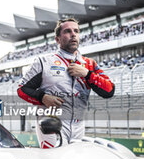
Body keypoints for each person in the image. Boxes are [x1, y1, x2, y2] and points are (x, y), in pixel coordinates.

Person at [17, 18, 115, 148]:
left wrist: (87, 74)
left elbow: (109, 91)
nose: (73, 34)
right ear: (57, 39)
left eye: (76, 31)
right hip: (51, 123)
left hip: (79, 126)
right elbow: (22, 90)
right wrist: (43, 97)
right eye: (68, 31)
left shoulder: (89, 64)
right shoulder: (43, 62)